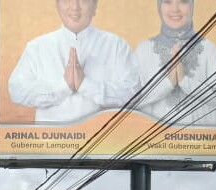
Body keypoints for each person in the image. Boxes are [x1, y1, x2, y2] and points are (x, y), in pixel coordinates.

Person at [8, 0, 140, 123]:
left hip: (102, 141)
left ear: (95, 6)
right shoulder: (37, 47)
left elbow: (134, 92)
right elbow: (16, 90)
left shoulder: (116, 45)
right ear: (57, 5)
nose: (75, 7)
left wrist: (86, 85)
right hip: (49, 142)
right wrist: (63, 86)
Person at [134, 0, 216, 126]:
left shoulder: (208, 49)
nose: (175, 9)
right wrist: (167, 83)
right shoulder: (144, 50)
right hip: (153, 141)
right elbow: (131, 102)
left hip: (200, 141)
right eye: (167, 1)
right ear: (159, 7)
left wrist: (185, 82)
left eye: (183, 1)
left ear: (192, 6)